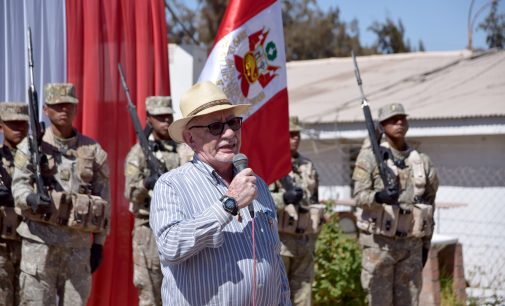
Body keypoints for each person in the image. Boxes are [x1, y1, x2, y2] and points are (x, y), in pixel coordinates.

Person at [149, 81, 291, 305]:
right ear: (190, 139)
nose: (229, 133)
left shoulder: (257, 184)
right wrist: (229, 204)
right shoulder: (172, 185)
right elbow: (170, 247)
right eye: (215, 127)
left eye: (233, 123)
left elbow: (274, 259)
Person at [11, 83, 110, 305]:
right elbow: (18, 186)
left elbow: (105, 200)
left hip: (78, 248)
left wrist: (99, 244)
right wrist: (30, 198)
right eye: (57, 106)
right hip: (39, 245)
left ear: (76, 109)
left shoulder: (93, 151)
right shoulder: (31, 147)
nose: (63, 110)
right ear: (46, 109)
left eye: (68, 105)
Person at [352, 103, 439, 306]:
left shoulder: (421, 161)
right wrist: (379, 197)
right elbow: (359, 197)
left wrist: (426, 243)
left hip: (411, 246)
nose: (399, 122)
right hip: (379, 245)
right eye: (392, 120)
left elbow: (429, 202)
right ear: (382, 127)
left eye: (402, 118)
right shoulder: (370, 157)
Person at [124, 96, 181, 306]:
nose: (166, 121)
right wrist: (146, 184)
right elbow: (129, 193)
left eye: (168, 116)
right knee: (149, 293)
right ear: (149, 119)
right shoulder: (138, 153)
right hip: (148, 230)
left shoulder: (183, 149)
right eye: (160, 117)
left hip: (180, 226)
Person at [269, 116, 322, 306]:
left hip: (305, 241)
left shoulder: (308, 165)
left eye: (297, 134)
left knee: (303, 295)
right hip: (281, 242)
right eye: (290, 135)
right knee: (278, 294)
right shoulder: (272, 166)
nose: (295, 138)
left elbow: (314, 199)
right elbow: (260, 201)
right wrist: (284, 198)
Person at [0, 102, 29, 306]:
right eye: (12, 124)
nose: (18, 129)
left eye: (22, 124)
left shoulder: (39, 161)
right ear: (1, 126)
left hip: (31, 243)